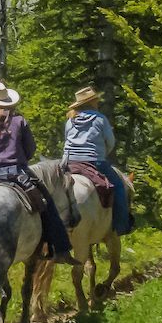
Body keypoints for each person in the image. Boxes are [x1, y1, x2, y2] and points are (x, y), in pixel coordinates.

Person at [0, 81, 82, 267]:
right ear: (9, 102)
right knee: (47, 204)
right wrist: (21, 158)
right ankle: (60, 249)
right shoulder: (19, 121)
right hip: (15, 171)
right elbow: (30, 149)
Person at [62, 86, 131, 235]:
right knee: (119, 186)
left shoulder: (70, 120)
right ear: (92, 102)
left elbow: (66, 140)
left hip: (69, 162)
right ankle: (121, 226)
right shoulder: (100, 119)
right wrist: (102, 154)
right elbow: (110, 141)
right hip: (94, 161)